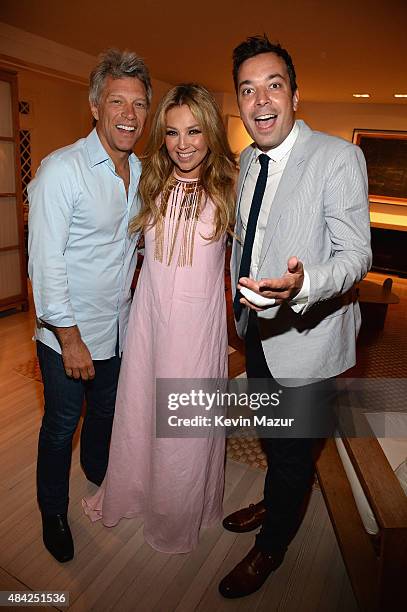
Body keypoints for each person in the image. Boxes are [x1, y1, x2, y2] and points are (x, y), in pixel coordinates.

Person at [218, 35, 372, 598]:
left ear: (295, 95)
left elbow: (356, 256)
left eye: (273, 86)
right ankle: (272, 499)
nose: (260, 101)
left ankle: (272, 548)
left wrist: (306, 283)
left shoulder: (337, 157)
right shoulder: (245, 160)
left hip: (307, 335)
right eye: (248, 90)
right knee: (268, 428)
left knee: (292, 451)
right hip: (256, 329)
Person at [82, 83, 237, 553]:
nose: (183, 143)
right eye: (172, 133)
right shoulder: (149, 179)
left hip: (196, 328)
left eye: (193, 131)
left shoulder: (231, 187)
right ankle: (136, 490)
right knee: (140, 412)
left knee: (185, 427)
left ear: (210, 133)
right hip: (150, 320)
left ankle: (178, 511)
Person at [28, 49, 151, 563]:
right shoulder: (62, 170)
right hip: (69, 334)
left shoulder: (141, 170)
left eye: (139, 104)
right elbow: (45, 262)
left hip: (119, 327)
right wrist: (70, 338)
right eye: (117, 101)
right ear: (95, 107)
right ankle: (52, 512)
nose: (129, 114)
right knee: (61, 426)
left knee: (105, 411)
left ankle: (100, 474)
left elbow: (132, 246)